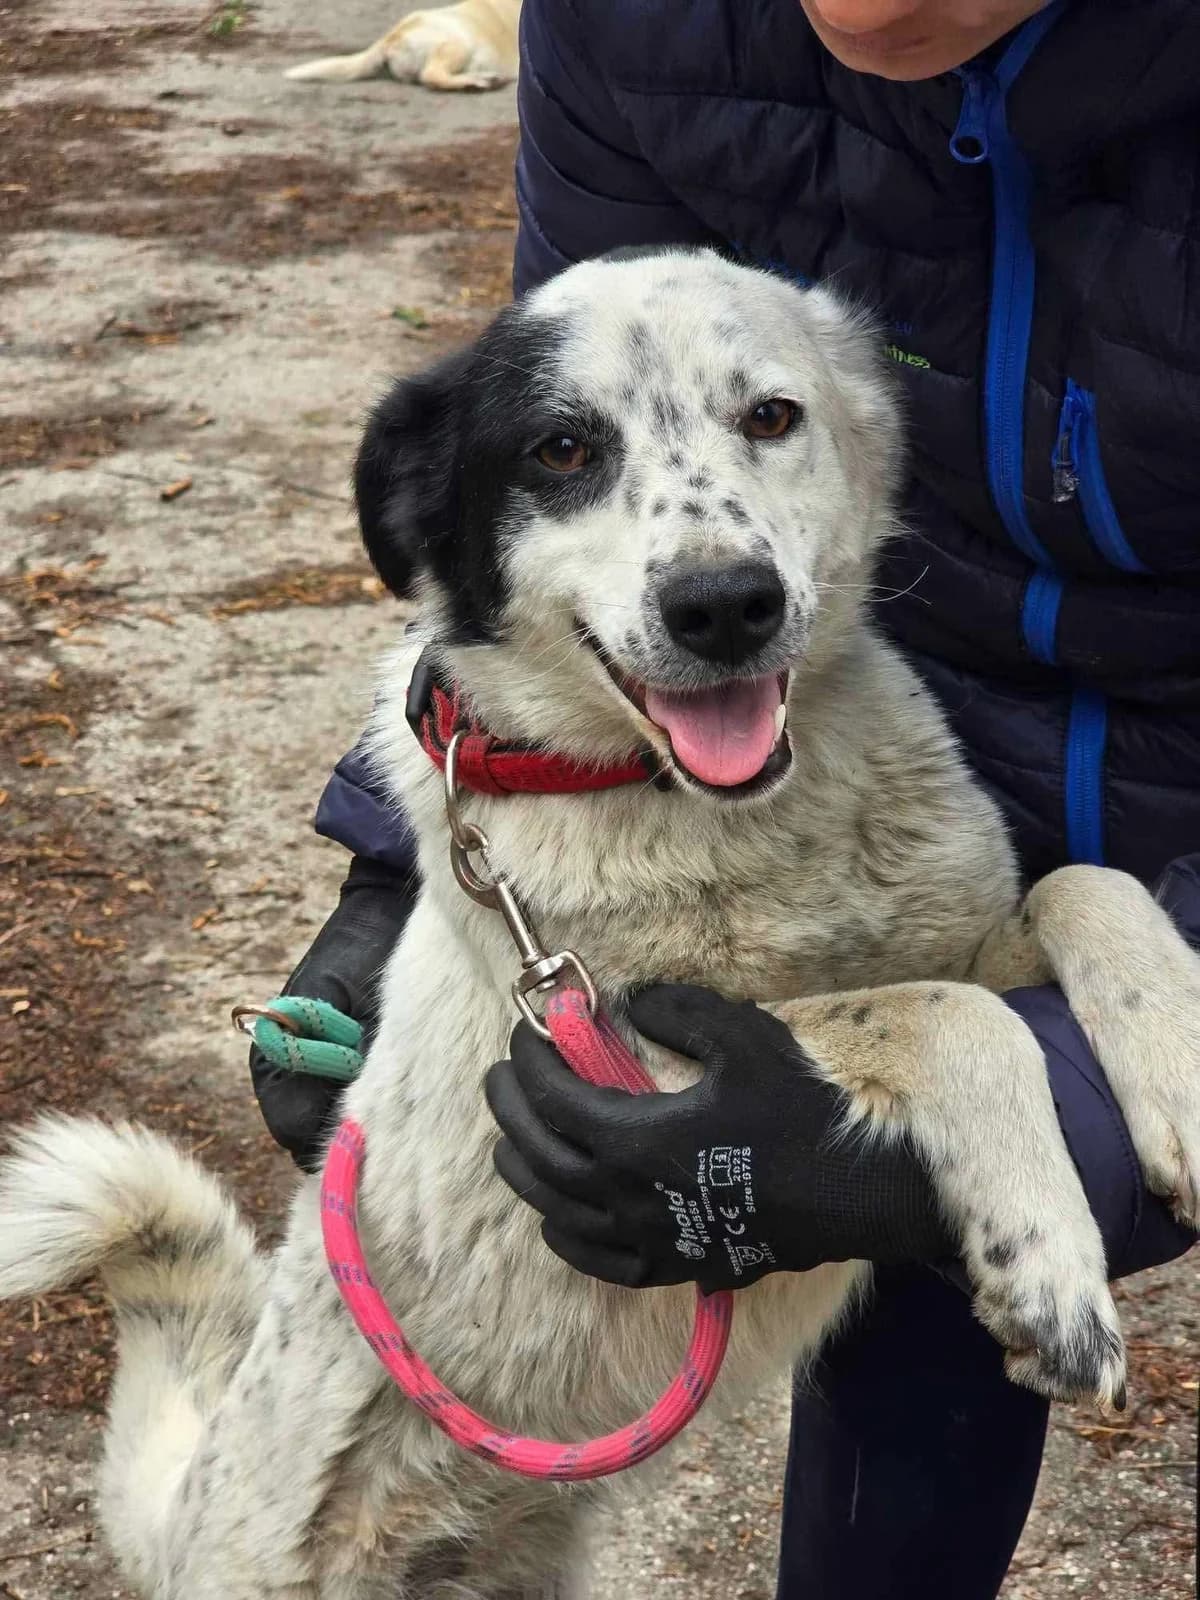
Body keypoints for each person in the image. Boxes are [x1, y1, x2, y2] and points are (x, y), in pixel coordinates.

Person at [251, 1, 1200, 1594]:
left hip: (949, 689)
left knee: (969, 1148)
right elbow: (543, 423)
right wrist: (389, 870)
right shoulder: (649, 21)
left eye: (772, 421)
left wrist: (999, 1116)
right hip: (896, 660)